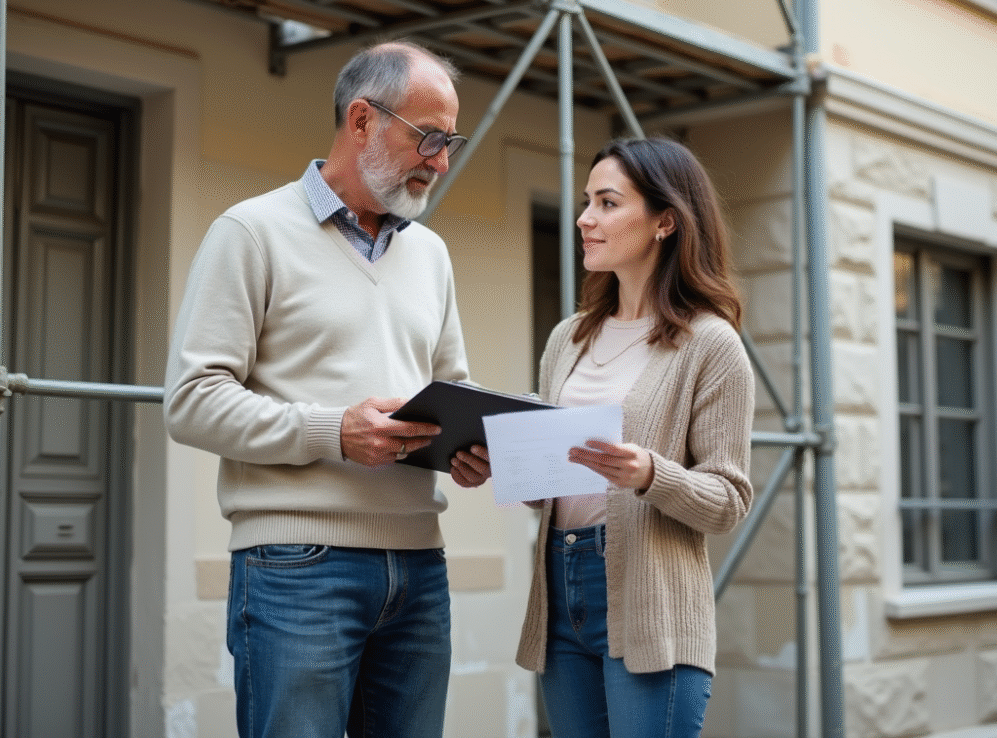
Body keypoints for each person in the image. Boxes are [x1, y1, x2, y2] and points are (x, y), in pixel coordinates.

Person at [163, 40, 490, 738]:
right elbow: (191, 401)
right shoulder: (249, 232)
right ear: (363, 120)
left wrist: (469, 446)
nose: (441, 161)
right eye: (429, 137)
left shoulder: (431, 254)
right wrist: (334, 432)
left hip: (420, 567)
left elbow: (450, 388)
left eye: (450, 142)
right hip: (295, 567)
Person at [515, 137, 756, 738]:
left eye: (607, 203)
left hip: (653, 604)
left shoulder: (710, 343)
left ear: (664, 222)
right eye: (586, 202)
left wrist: (650, 474)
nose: (584, 219)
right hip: (559, 586)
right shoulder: (568, 338)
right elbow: (559, 482)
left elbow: (729, 500)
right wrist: (513, 467)